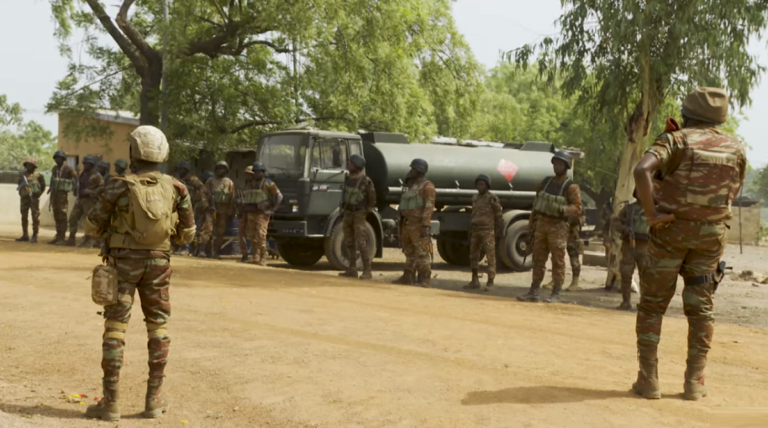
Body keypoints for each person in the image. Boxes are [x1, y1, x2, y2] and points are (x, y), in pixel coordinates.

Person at [632, 87, 746, 401]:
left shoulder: (675, 140)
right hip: (710, 239)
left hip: (669, 234)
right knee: (701, 310)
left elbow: (641, 169)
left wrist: (652, 213)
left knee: (653, 307)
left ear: (687, 113)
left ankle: (648, 382)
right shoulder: (736, 147)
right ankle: (695, 384)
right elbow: (733, 189)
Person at [83, 125, 196, 421]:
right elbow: (187, 234)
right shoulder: (177, 188)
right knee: (158, 325)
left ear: (133, 152)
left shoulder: (118, 185)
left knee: (116, 327)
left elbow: (92, 227)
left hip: (122, 263)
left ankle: (111, 402)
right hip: (159, 264)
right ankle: (154, 400)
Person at [517, 151, 582, 303]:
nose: (557, 166)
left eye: (560, 164)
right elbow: (537, 204)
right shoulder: (546, 182)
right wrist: (531, 224)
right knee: (538, 259)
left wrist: (563, 209)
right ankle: (533, 291)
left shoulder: (570, 187)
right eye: (555, 163)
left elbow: (578, 208)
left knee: (557, 261)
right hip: (541, 225)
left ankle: (556, 293)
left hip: (558, 226)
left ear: (566, 166)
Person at [393, 159, 436, 287]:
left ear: (419, 171)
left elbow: (429, 206)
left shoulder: (427, 186)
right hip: (407, 223)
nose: (410, 171)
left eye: (413, 169)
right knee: (409, 251)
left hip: (418, 224)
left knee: (422, 252)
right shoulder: (412, 186)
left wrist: (425, 225)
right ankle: (408, 276)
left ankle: (424, 278)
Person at [339, 155, 376, 279]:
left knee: (361, 242)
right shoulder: (348, 179)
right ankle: (352, 269)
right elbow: (344, 194)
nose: (349, 165)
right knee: (349, 241)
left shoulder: (366, 181)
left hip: (359, 213)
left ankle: (367, 270)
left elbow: (372, 199)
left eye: (351, 163)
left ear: (357, 166)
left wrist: (366, 212)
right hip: (348, 212)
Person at [464, 174, 503, 291]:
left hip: (487, 230)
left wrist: (496, 229)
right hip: (476, 229)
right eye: (478, 184)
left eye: (482, 184)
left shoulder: (492, 198)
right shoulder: (475, 197)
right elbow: (474, 213)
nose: (480, 186)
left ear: (487, 185)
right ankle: (474, 280)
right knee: (473, 255)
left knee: (490, 256)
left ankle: (490, 282)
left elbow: (498, 214)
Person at [241, 162, 282, 265]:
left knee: (261, 235)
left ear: (263, 172)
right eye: (255, 171)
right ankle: (256, 256)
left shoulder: (268, 183)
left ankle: (263, 257)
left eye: (258, 171)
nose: (256, 173)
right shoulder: (250, 183)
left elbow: (279, 196)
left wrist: (273, 209)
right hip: (251, 212)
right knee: (252, 235)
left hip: (262, 213)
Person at [615, 191, 650, 311]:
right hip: (629, 245)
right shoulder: (628, 209)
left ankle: (645, 303)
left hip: (646, 247)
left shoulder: (653, 209)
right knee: (625, 273)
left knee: (646, 276)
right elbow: (616, 222)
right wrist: (624, 229)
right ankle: (626, 302)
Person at [63, 155, 103, 247]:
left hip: (90, 201)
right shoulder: (83, 174)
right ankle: (71, 238)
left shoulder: (97, 175)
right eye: (84, 163)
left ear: (91, 164)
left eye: (86, 164)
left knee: (89, 221)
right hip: (80, 200)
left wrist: (91, 192)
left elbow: (102, 188)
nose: (84, 165)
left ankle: (89, 240)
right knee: (73, 218)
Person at [174, 161, 207, 256]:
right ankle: (180, 247)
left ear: (186, 170)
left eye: (182, 169)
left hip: (190, 206)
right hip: (178, 206)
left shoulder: (192, 179)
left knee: (187, 226)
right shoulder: (177, 179)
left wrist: (197, 199)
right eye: (179, 169)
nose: (180, 171)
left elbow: (202, 189)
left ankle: (186, 248)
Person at [542, 215, 584, 291]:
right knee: (557, 255)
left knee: (574, 256)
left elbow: (579, 216)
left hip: (573, 229)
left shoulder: (575, 204)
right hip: (560, 228)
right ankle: (555, 280)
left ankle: (575, 283)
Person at [204, 161, 235, 259]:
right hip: (211, 209)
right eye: (218, 168)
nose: (220, 171)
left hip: (223, 210)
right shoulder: (210, 181)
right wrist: (207, 206)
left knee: (220, 232)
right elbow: (204, 194)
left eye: (222, 169)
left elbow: (232, 198)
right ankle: (207, 251)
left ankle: (216, 251)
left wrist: (231, 212)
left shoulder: (229, 182)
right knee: (208, 229)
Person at [48, 150, 77, 245]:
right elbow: (52, 180)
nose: (57, 160)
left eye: (59, 158)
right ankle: (58, 235)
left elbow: (76, 179)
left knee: (62, 216)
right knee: (56, 216)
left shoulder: (68, 169)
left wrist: (71, 186)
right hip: (54, 194)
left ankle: (62, 237)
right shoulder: (55, 169)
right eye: (56, 158)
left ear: (63, 159)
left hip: (62, 195)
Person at [16, 158, 46, 243]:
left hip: (34, 199)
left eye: (30, 165)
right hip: (24, 199)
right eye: (27, 165)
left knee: (35, 217)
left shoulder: (38, 175)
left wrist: (38, 194)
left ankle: (34, 235)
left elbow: (42, 186)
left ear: (33, 166)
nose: (29, 166)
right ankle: (25, 234)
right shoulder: (22, 175)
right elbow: (19, 185)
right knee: (24, 216)